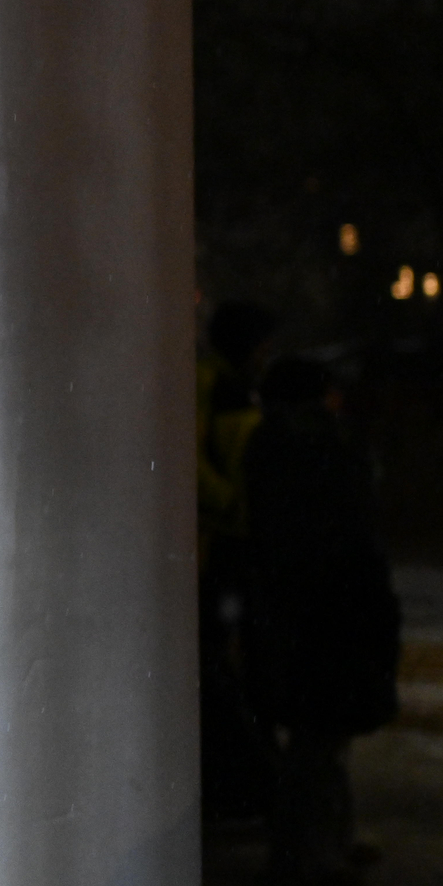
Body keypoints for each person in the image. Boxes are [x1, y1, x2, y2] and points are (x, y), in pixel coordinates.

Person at [245, 355, 401, 886]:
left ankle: (326, 842)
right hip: (330, 598)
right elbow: (351, 519)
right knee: (320, 735)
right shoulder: (317, 444)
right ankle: (308, 854)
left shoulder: (275, 442)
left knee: (322, 732)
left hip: (307, 598)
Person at [199, 301, 280, 818]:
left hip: (238, 540)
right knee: (227, 663)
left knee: (243, 665)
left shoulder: (233, 384)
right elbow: (188, 451)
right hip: (226, 543)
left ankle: (252, 788)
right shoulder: (212, 382)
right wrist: (228, 500)